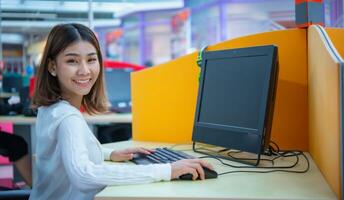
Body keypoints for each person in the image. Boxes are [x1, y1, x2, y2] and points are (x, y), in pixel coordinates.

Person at [29, 23, 213, 200]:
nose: (84, 70)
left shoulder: (51, 109)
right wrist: (167, 170)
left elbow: (68, 153)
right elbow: (83, 175)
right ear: (52, 66)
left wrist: (110, 154)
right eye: (72, 61)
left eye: (91, 59)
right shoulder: (68, 118)